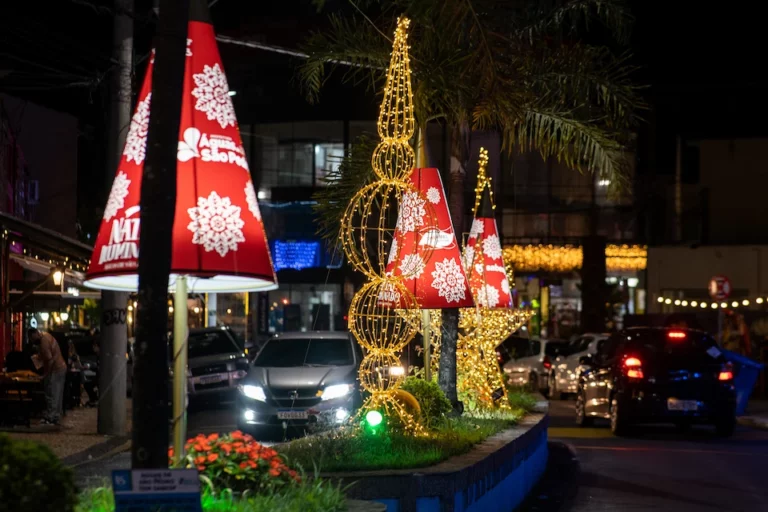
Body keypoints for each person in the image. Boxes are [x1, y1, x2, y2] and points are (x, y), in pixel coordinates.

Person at [28, 328, 67, 425]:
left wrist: (45, 375)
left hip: (56, 369)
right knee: (56, 393)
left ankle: (52, 417)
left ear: (36, 334)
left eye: (33, 338)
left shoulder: (43, 342)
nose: (33, 341)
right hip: (60, 367)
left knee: (53, 393)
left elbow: (50, 361)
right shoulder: (46, 336)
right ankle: (55, 415)